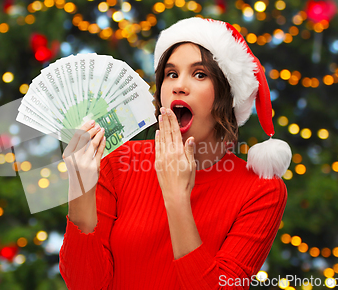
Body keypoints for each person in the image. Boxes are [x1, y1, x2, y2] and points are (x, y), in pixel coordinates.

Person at [59, 17, 292, 290]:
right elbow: (85, 285)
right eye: (171, 74)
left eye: (200, 74)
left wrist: (177, 197)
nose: (178, 86)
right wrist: (80, 193)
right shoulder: (118, 163)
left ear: (227, 96)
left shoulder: (262, 191)